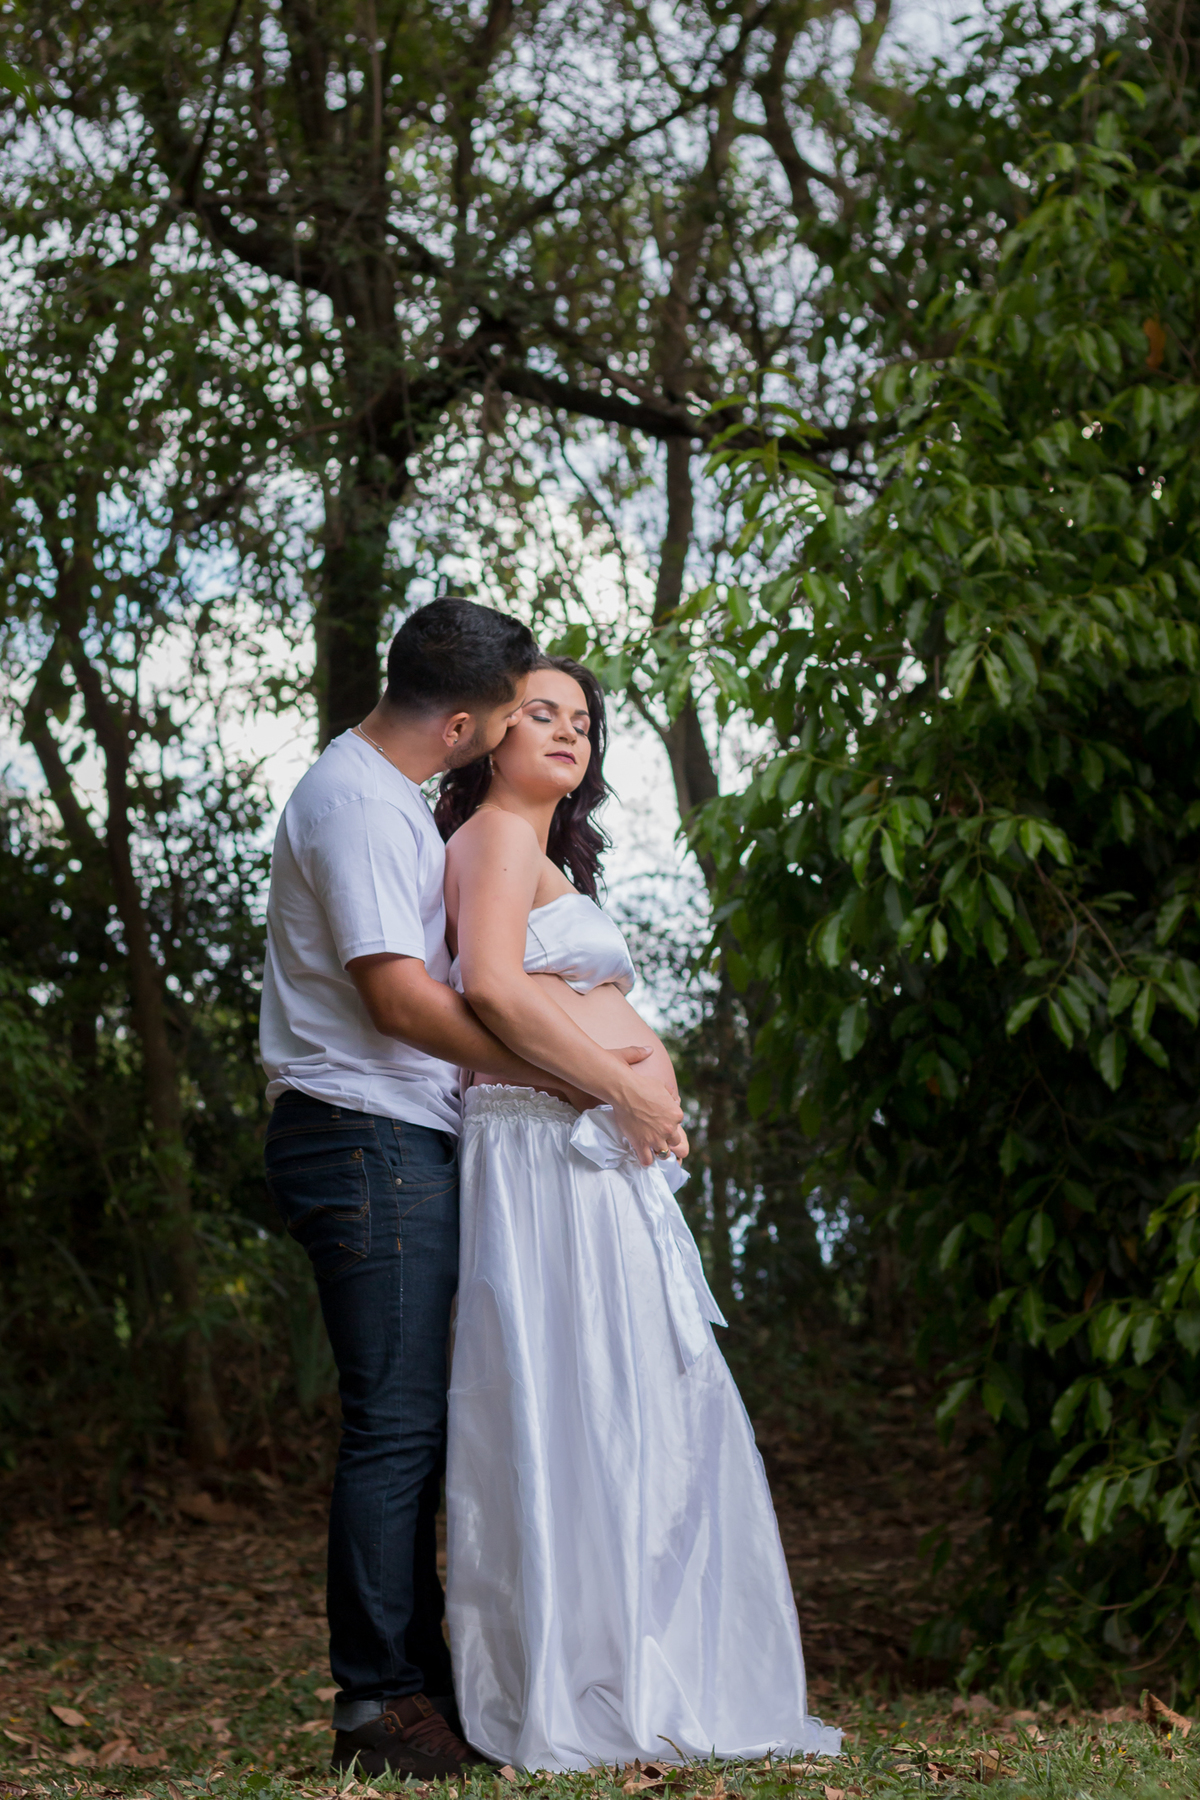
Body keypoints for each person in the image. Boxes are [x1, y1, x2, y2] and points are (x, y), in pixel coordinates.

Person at [260, 601, 685, 1783]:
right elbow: (399, 1003)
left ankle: (434, 1679)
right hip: (360, 1139)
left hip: (402, 1140)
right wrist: (582, 1081)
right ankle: (378, 1702)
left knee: (432, 1425)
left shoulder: (388, 801)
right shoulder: (351, 803)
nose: (536, 729)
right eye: (517, 711)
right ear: (466, 723)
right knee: (395, 1428)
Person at [438, 654, 842, 1771]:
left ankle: (650, 1662)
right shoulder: (490, 837)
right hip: (539, 1157)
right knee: (580, 1392)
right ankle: (582, 1680)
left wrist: (637, 1100)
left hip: (587, 1160)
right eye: (540, 714)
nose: (568, 730)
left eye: (582, 718)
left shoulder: (543, 850)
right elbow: (493, 987)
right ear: (488, 737)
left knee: (638, 1393)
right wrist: (623, 1085)